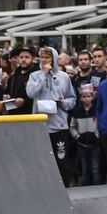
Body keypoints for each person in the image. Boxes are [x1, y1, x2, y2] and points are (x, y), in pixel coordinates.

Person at [27, 47, 78, 186]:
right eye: (42, 57)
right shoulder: (34, 76)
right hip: (41, 127)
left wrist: (62, 103)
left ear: (54, 59)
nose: (44, 60)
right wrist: (43, 75)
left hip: (59, 126)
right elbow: (31, 93)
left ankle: (66, 188)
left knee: (61, 161)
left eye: (47, 57)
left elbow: (72, 99)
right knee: (42, 162)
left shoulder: (64, 77)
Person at [70, 84, 103, 186]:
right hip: (82, 144)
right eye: (84, 97)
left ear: (92, 97)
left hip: (94, 144)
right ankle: (85, 186)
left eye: (88, 96)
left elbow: (100, 125)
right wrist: (77, 137)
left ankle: (97, 186)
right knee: (84, 168)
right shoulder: (77, 111)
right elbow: (72, 126)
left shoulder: (96, 110)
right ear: (80, 98)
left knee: (95, 167)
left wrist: (97, 135)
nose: (86, 99)